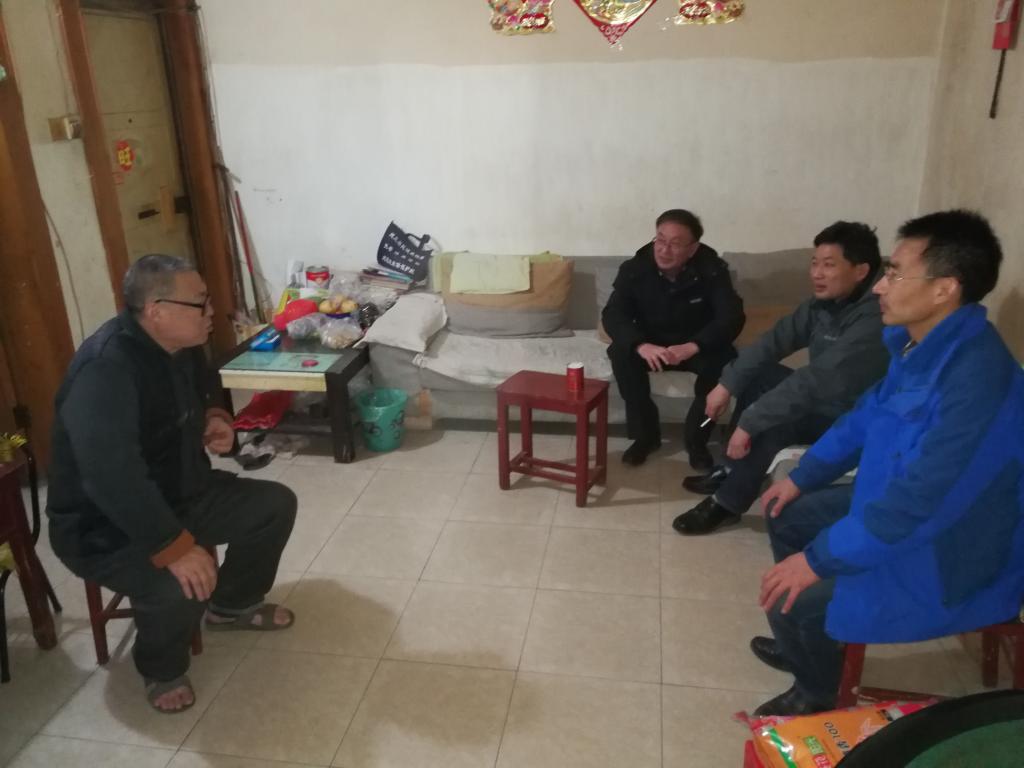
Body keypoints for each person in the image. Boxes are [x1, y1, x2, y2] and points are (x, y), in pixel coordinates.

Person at [749, 210, 1024, 717]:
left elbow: (919, 505)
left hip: (949, 553)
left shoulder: (976, 381)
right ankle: (810, 643)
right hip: (896, 509)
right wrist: (804, 477)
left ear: (944, 289)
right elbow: (865, 417)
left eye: (894, 273)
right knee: (786, 512)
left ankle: (817, 692)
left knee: (794, 597)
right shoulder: (922, 348)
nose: (879, 286)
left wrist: (816, 562)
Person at [47, 254, 298, 714]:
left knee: (274, 505)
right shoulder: (105, 370)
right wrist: (174, 546)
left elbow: (204, 390)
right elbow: (111, 477)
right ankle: (161, 668)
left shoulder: (182, 345)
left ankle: (231, 606)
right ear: (156, 311)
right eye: (200, 303)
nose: (211, 313)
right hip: (104, 526)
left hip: (180, 491)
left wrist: (216, 418)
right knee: (178, 584)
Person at [673, 221, 889, 535]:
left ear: (860, 271)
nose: (816, 273)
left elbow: (815, 380)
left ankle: (727, 503)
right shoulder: (827, 302)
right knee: (759, 374)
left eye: (829, 265)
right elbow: (773, 341)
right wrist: (726, 385)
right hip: (826, 400)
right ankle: (730, 469)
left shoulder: (876, 316)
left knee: (778, 418)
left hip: (852, 415)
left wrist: (749, 423)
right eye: (814, 263)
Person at [602, 209, 744, 469]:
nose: (664, 250)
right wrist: (640, 345)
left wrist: (694, 346)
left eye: (675, 243)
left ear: (692, 249)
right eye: (660, 239)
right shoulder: (635, 269)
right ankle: (646, 437)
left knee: (725, 361)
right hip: (652, 343)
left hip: (696, 344)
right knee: (621, 353)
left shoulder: (712, 269)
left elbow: (731, 317)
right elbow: (613, 314)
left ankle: (697, 441)